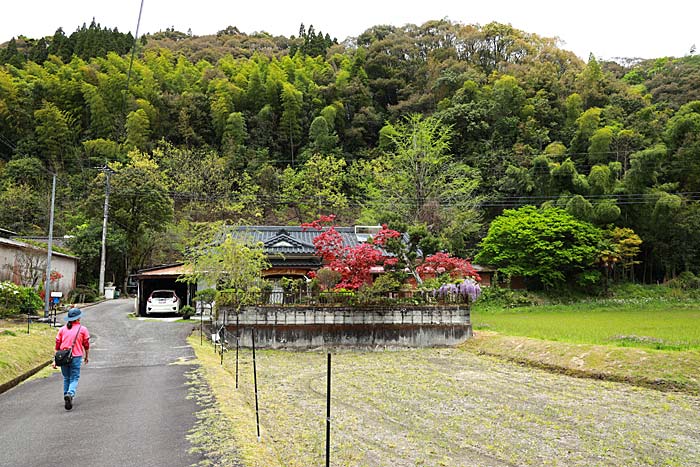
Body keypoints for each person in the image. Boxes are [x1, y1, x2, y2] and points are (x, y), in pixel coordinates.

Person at [53, 307, 90, 410]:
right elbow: (86, 345)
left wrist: (54, 360)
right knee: (74, 377)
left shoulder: (62, 330)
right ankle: (70, 393)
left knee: (66, 378)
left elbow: (57, 346)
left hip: (63, 357)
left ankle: (66, 395)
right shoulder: (83, 329)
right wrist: (86, 356)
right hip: (76, 356)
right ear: (78, 318)